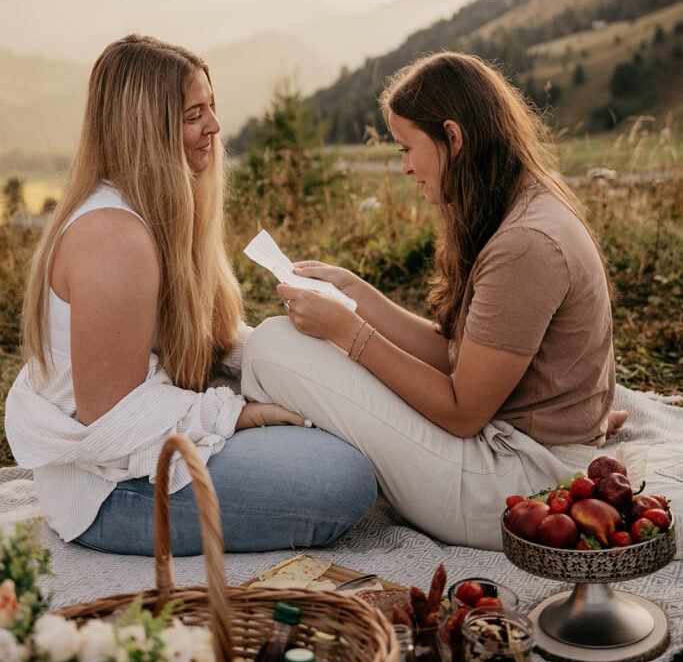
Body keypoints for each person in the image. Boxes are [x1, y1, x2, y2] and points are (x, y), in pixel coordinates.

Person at [5, 35, 376, 556]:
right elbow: (113, 417)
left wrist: (301, 355)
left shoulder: (162, 208)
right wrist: (241, 414)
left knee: (338, 422)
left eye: (212, 107)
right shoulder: (113, 239)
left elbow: (205, 341)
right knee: (343, 478)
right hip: (112, 487)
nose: (216, 127)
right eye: (193, 115)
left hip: (151, 443)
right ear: (147, 130)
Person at [241, 52, 622, 550]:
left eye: (407, 148)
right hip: (520, 453)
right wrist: (356, 295)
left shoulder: (526, 243)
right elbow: (454, 355)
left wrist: (348, 333)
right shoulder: (521, 203)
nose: (404, 167)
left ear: (453, 137)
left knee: (271, 344)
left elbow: (463, 411)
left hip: (519, 487)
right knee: (292, 343)